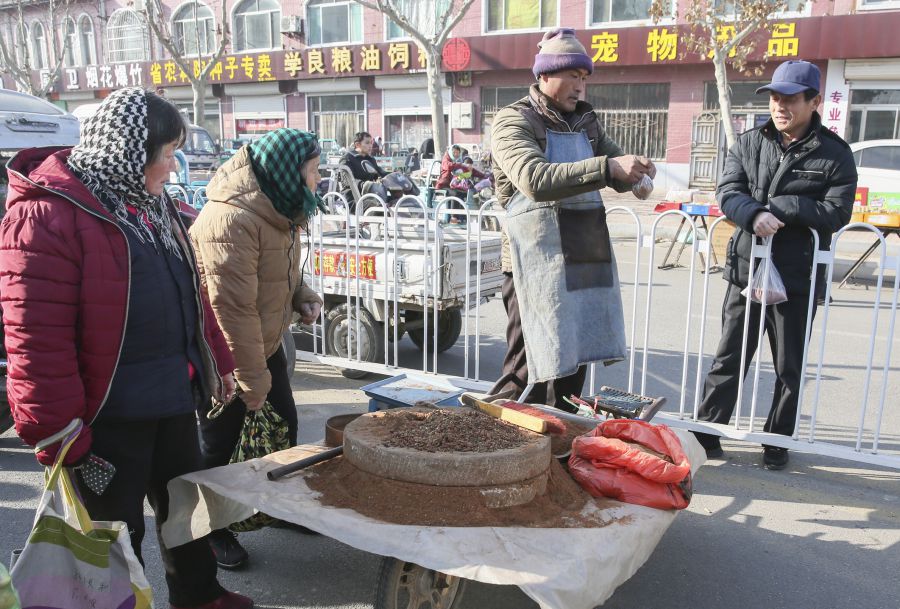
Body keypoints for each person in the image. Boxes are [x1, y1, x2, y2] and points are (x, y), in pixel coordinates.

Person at [0, 87, 251, 609]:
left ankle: (200, 595)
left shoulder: (150, 203)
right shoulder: (48, 215)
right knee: (113, 538)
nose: (172, 163)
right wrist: (60, 437)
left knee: (187, 511)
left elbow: (193, 294)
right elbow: (34, 340)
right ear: (129, 151)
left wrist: (219, 363)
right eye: (166, 152)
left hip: (171, 399)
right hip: (106, 418)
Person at [693, 60, 857, 470]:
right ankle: (706, 435)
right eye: (775, 97)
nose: (780, 105)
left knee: (788, 365)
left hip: (797, 276)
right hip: (747, 269)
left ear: (814, 101)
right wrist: (752, 214)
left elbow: (836, 212)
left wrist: (784, 207)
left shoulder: (834, 154)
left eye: (790, 98)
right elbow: (728, 190)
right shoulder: (749, 142)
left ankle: (776, 442)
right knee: (729, 358)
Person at [488, 28, 655, 410]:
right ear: (544, 76)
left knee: (572, 365)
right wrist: (609, 167)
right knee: (526, 370)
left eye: (584, 77)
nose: (580, 86)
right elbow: (534, 179)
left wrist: (638, 176)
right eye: (571, 76)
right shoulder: (513, 121)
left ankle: (557, 446)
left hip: (583, 253)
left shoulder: (587, 123)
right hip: (534, 264)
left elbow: (615, 167)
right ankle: (499, 444)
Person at [189, 128, 324, 567]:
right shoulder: (230, 220)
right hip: (224, 359)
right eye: (314, 171)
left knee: (281, 429)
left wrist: (302, 294)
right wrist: (251, 380)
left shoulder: (280, 206)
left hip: (263, 344)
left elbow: (280, 273)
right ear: (287, 171)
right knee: (221, 446)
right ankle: (211, 529)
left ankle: (269, 507)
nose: (318, 180)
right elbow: (230, 312)